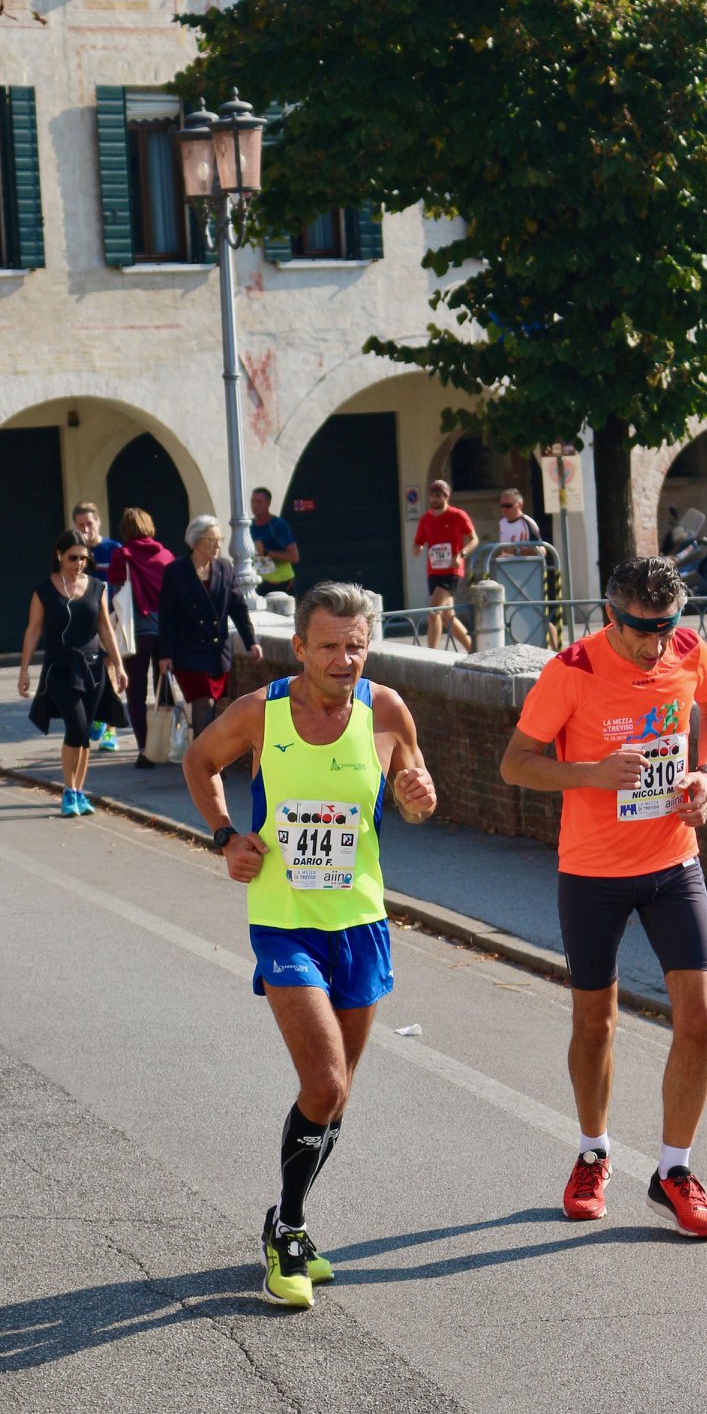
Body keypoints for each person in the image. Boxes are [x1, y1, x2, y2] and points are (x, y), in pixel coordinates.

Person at [182, 580, 437, 1309]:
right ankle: (289, 1230)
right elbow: (198, 761)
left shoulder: (387, 711)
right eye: (328, 646)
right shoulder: (260, 713)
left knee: (337, 1095)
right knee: (324, 1083)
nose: (343, 659)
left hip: (361, 922)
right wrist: (226, 837)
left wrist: (420, 801)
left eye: (355, 646)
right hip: (285, 920)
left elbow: (417, 794)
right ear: (299, 646)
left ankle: (286, 1220)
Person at [499, 556, 707, 1241]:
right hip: (592, 874)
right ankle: (592, 1154)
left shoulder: (687, 648)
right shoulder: (570, 669)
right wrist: (591, 773)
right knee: (596, 1024)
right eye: (642, 631)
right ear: (612, 615)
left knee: (701, 1021)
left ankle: (674, 1172)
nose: (657, 645)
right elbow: (515, 764)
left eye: (667, 628)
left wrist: (706, 774)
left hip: (673, 864)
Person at [18, 529, 128, 817]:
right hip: (59, 668)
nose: (78, 563)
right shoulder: (44, 590)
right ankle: (68, 791)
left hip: (92, 667)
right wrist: (24, 670)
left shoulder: (97, 587)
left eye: (83, 558)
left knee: (85, 731)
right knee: (76, 726)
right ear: (59, 556)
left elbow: (105, 628)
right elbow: (33, 630)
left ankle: (79, 791)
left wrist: (118, 665)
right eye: (72, 558)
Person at [158, 515, 262, 738]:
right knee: (203, 702)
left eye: (219, 540)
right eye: (212, 540)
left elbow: (238, 607)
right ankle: (203, 756)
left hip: (216, 651)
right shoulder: (175, 572)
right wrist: (165, 654)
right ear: (195, 541)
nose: (217, 545)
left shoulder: (224, 567)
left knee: (214, 707)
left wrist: (251, 641)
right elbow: (167, 617)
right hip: (188, 652)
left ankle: (207, 753)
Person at [108, 508, 174, 768]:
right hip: (165, 631)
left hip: (136, 631)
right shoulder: (166, 555)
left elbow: (116, 592)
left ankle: (145, 750)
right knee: (163, 689)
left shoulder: (121, 555)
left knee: (136, 693)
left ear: (125, 529)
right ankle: (165, 745)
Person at [73, 502, 122, 752]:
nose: (86, 529)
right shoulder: (74, 553)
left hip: (110, 618)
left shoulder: (114, 550)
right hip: (83, 621)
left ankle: (111, 730)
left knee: (109, 670)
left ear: (99, 521)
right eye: (80, 525)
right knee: (87, 673)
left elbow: (125, 585)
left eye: (89, 523)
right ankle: (98, 717)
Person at [412, 478, 478, 651]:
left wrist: (461, 554)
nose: (434, 499)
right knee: (448, 615)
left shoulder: (458, 515)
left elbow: (474, 539)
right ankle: (472, 649)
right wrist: (417, 548)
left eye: (438, 495)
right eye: (432, 495)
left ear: (446, 496)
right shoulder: (426, 519)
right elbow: (418, 541)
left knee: (433, 611)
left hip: (452, 571)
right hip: (433, 572)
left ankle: (432, 654)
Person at [249, 487, 300, 597]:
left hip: (282, 583)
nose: (254, 505)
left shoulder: (278, 525)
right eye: (252, 501)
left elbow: (294, 556)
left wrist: (266, 552)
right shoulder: (249, 526)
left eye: (258, 502)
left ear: (268, 503)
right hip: (259, 583)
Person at [496, 488, 542, 556]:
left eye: (508, 506)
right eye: (502, 506)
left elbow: (541, 550)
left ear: (520, 505)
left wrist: (516, 552)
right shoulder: (502, 522)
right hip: (506, 562)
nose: (504, 509)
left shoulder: (528, 523)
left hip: (523, 562)